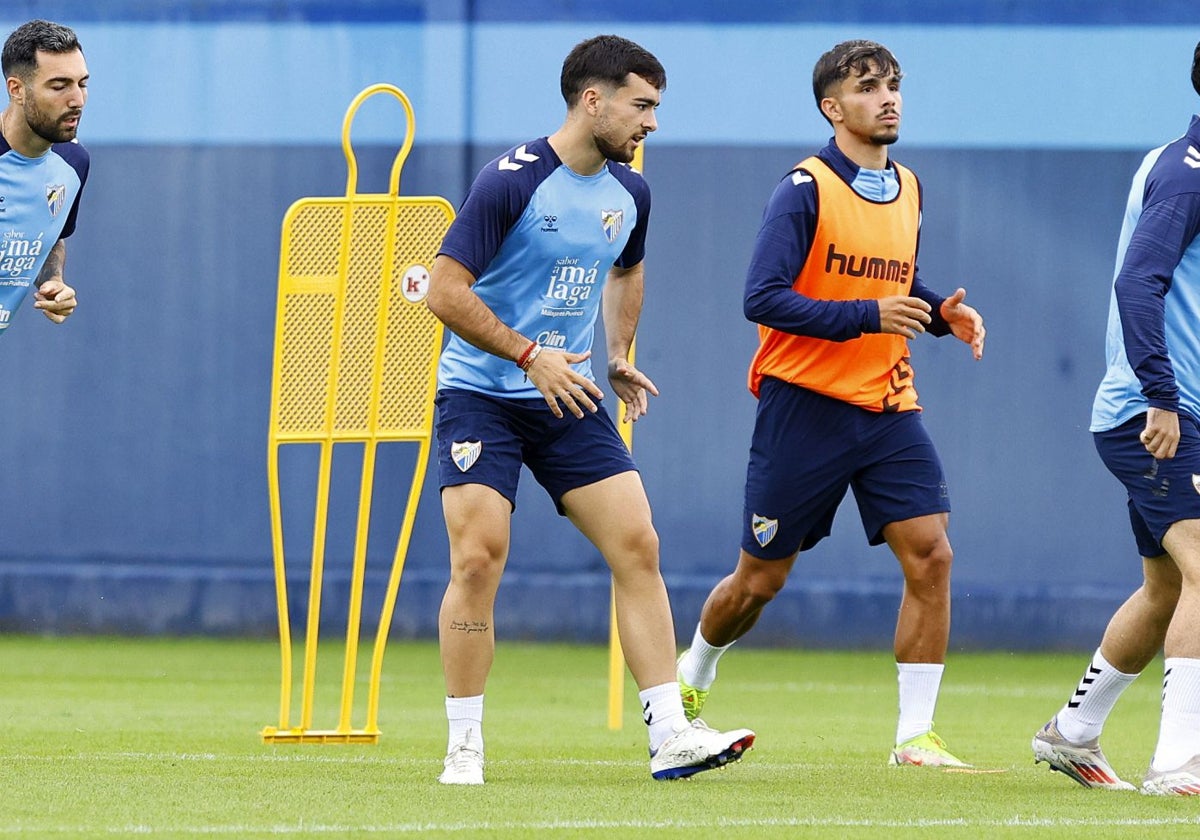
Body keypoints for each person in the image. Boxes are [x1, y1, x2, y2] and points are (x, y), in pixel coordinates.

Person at [425, 34, 755, 785]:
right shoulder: (511, 181)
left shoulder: (630, 192)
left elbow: (627, 270)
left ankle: (670, 734)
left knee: (638, 544)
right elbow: (444, 292)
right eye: (643, 106)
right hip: (484, 392)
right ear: (592, 100)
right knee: (479, 557)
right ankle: (465, 745)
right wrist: (526, 354)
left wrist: (617, 354)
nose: (653, 124)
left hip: (569, 392)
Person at [674, 39, 985, 768]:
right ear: (832, 107)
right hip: (804, 405)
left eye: (895, 85)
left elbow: (889, 280)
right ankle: (694, 672)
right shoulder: (803, 188)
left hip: (887, 404)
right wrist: (867, 318)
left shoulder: (909, 186)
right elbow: (763, 297)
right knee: (760, 580)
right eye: (869, 86)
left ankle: (915, 738)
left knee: (932, 556)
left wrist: (940, 313)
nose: (888, 98)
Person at [1032, 41, 1200, 797]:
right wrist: (1161, 393)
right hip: (1155, 412)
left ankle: (1071, 733)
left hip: (1170, 407)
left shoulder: (1178, 160)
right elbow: (1139, 281)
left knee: (1166, 588)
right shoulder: (1188, 172)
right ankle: (1178, 764)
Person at [0, 20, 89, 333]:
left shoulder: (74, 162)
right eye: (59, 85)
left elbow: (50, 236)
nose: (77, 99)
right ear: (17, 90)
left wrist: (52, 280)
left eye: (82, 83)